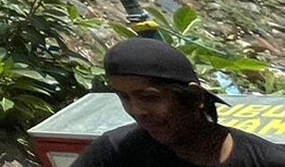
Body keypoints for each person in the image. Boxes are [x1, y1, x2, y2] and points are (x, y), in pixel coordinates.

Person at [73, 37, 285, 166]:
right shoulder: (117, 151)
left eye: (149, 97)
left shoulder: (266, 160)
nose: (137, 110)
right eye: (125, 97)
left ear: (196, 97)